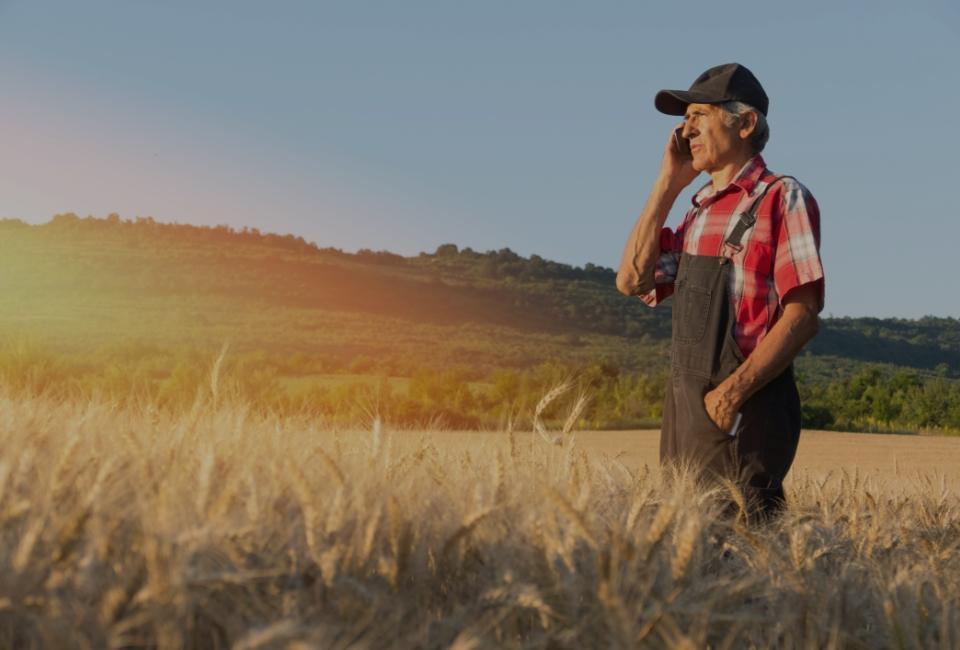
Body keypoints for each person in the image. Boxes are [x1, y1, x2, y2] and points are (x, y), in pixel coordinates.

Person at [615, 63, 824, 521]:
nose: (685, 130)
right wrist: (666, 186)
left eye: (698, 116)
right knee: (691, 563)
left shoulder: (781, 198)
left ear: (745, 123)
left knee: (743, 555)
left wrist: (728, 397)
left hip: (743, 415)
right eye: (683, 120)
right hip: (685, 414)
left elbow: (803, 315)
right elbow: (632, 279)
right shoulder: (696, 215)